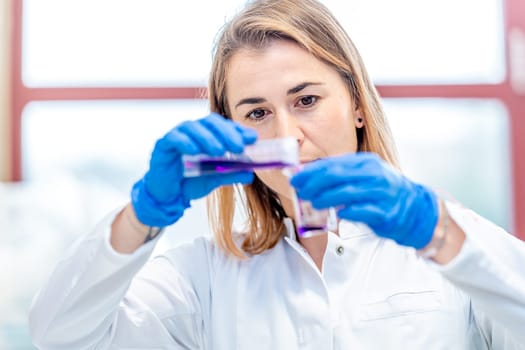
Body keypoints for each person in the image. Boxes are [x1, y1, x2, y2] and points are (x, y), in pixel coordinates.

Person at [29, 0, 525, 349]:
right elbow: (62, 335)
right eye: (257, 113)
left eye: (306, 100)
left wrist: (438, 235)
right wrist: (142, 213)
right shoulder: (205, 277)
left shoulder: (447, 245)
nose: (286, 136)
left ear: (355, 104)